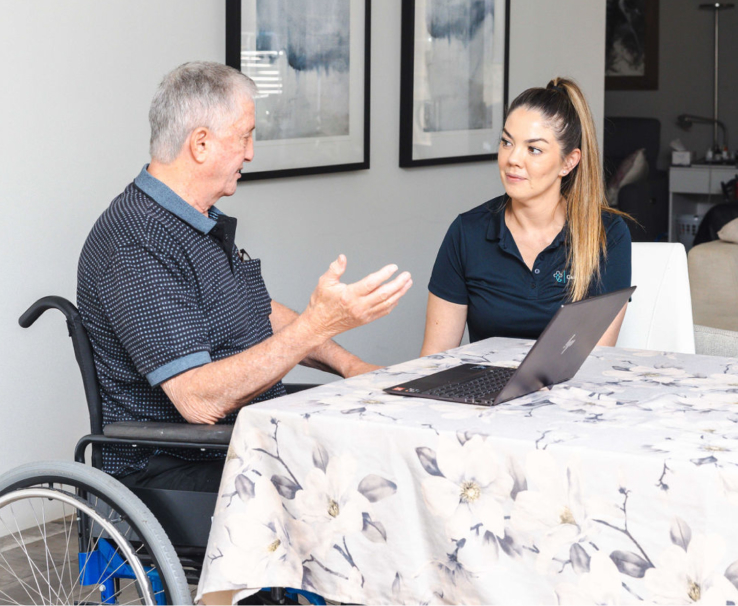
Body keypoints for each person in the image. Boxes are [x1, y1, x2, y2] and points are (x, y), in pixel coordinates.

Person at [77, 61, 412, 492]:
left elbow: (255, 312)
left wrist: (351, 366)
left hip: (243, 435)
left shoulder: (190, 220)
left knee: (388, 439)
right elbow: (198, 400)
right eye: (244, 136)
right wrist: (315, 325)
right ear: (200, 144)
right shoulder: (137, 243)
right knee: (379, 482)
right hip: (176, 464)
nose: (251, 153)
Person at [420, 77, 631, 356]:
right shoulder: (467, 233)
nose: (512, 159)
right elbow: (433, 359)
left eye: (534, 149)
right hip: (483, 392)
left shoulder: (606, 233)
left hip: (568, 394)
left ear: (569, 162)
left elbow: (595, 357)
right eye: (507, 142)